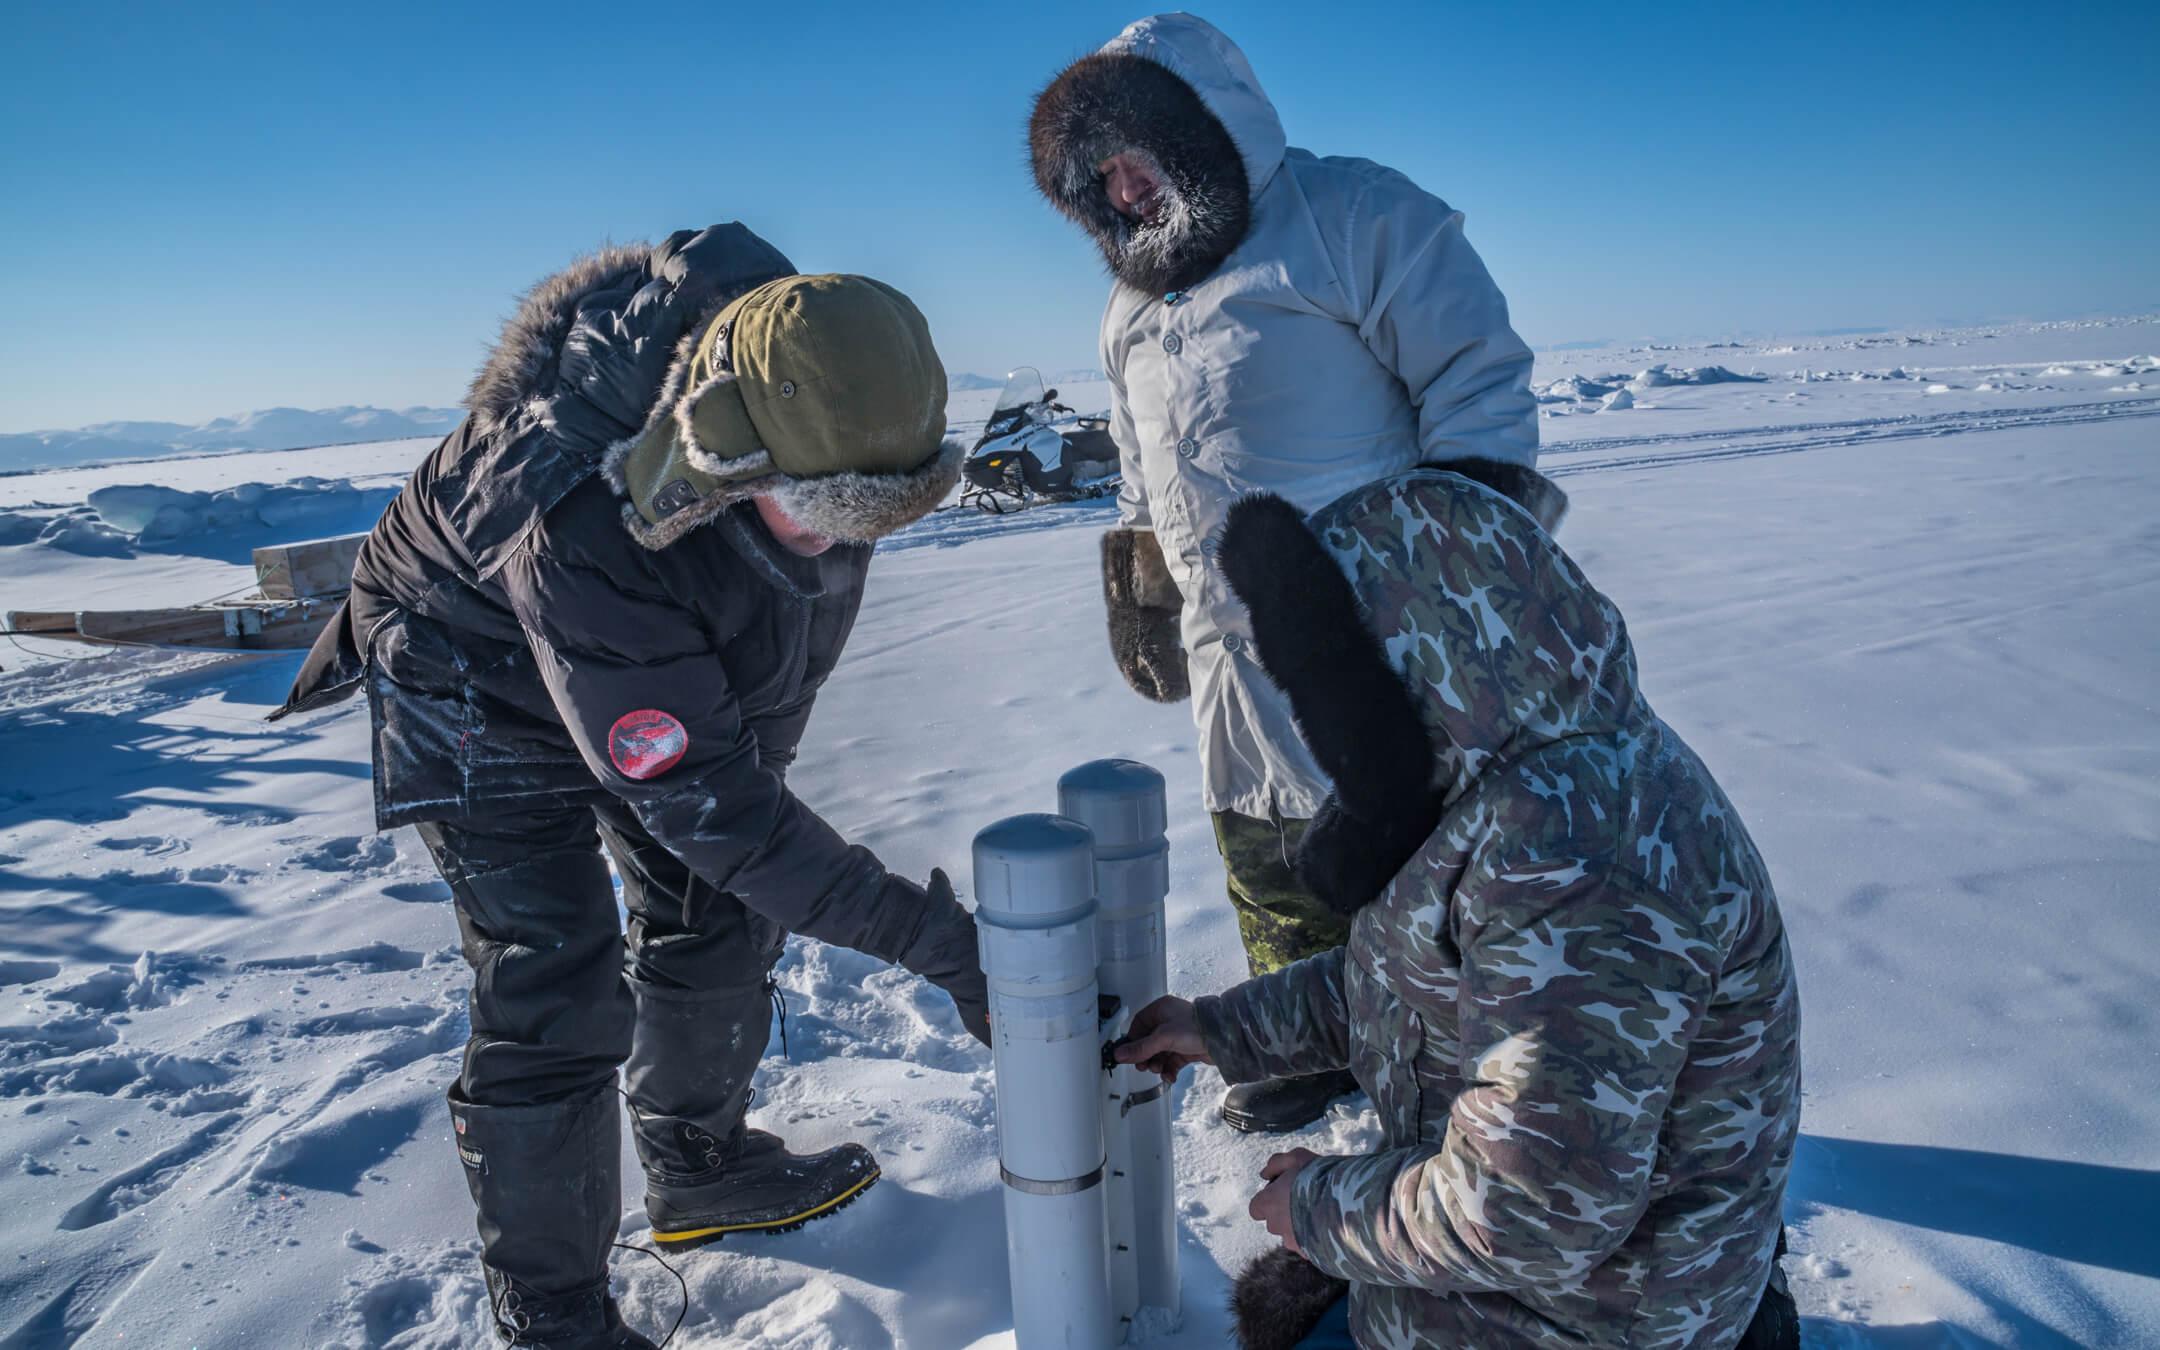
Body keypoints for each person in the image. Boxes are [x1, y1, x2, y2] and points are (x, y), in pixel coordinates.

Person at [276, 225, 987, 1349]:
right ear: (731, 448)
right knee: (555, 980)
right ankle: (555, 1316)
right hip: (472, 673)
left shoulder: (827, 405)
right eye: (825, 513)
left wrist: (764, 849)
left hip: (636, 654)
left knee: (724, 904)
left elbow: (757, 730)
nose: (842, 545)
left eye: (875, 518)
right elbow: (710, 800)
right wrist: (935, 939)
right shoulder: (575, 510)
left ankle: (699, 1167)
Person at [1115, 473, 1803, 1349]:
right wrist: (1221, 1030)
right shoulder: (1504, 784)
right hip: (1548, 1281)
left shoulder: (1583, 861)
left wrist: (1320, 1206)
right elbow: (1408, 983)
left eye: (1330, 694)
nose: (1319, 732)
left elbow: (1531, 1214)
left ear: (1404, 676)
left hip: (1602, 1316)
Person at [1028, 13, 1564, 1132]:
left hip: (1380, 631)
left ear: (1203, 131)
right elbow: (1141, 463)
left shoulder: (1352, 215)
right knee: (1268, 850)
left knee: (1413, 858)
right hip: (1233, 644)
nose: (1125, 194)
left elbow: (1480, 382)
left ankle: (1461, 1062)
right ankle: (1309, 1045)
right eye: (1102, 182)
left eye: (1137, 162)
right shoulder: (1127, 311)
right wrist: (1145, 584)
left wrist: (1470, 575)